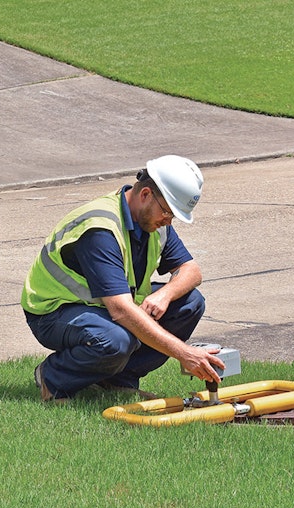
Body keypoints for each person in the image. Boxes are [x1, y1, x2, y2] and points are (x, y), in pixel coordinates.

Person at [21, 155, 225, 402]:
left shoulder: (154, 222)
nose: (169, 222)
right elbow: (120, 310)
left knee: (190, 303)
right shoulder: (101, 228)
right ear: (146, 194)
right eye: (168, 212)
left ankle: (117, 381)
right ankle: (54, 378)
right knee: (116, 339)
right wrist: (185, 354)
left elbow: (192, 271)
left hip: (101, 309)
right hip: (53, 313)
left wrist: (165, 294)